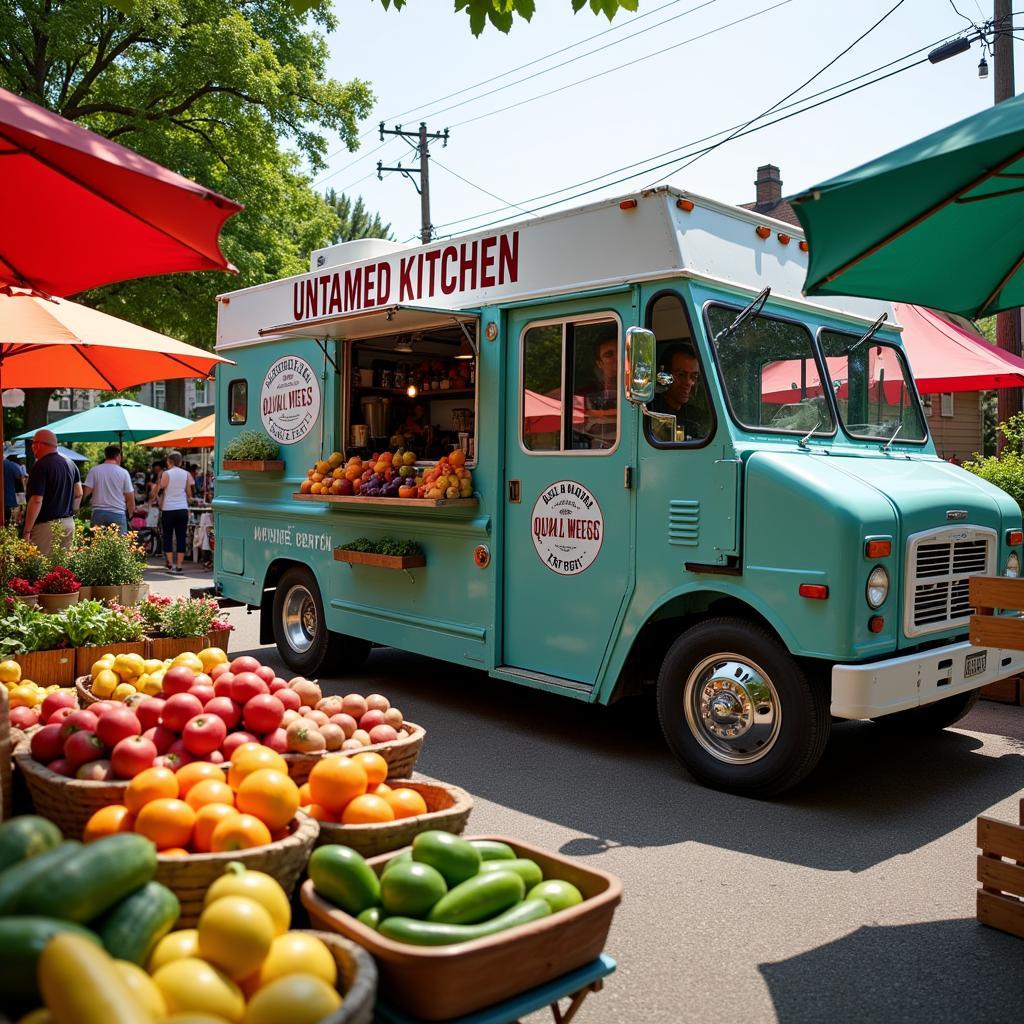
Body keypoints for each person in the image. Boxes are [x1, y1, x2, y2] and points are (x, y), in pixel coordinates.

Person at [22, 429, 79, 555]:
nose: (32, 447)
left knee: (40, 568)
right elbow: (79, 492)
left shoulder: (41, 465)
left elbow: (36, 500)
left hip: (46, 526)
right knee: (62, 570)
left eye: (33, 443)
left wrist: (27, 530)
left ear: (39, 445)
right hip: (68, 523)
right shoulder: (71, 463)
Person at [650, 343, 707, 441]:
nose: (689, 382)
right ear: (663, 376)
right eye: (681, 374)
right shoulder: (649, 413)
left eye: (694, 376)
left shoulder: (697, 416)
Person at [82, 445, 135, 534]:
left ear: (105, 455)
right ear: (118, 457)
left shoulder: (95, 470)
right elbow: (130, 497)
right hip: (117, 513)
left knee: (98, 545)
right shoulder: (124, 473)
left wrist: (81, 505)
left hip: (98, 513)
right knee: (119, 546)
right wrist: (130, 514)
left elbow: (86, 492)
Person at [577, 336, 618, 449]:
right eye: (609, 355)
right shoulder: (586, 395)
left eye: (621, 352)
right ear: (600, 363)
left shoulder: (642, 391)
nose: (618, 358)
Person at [156, 450, 193, 573]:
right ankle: (179, 565)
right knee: (181, 536)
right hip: (182, 509)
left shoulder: (166, 473)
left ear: (169, 461)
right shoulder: (186, 474)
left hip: (169, 509)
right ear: (180, 461)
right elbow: (189, 493)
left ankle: (171, 565)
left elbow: (161, 487)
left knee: (168, 537)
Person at [3, 453, 26, 527]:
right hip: (8, 499)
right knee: (6, 522)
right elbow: (20, 479)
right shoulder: (12, 465)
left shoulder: (11, 465)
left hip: (7, 499)